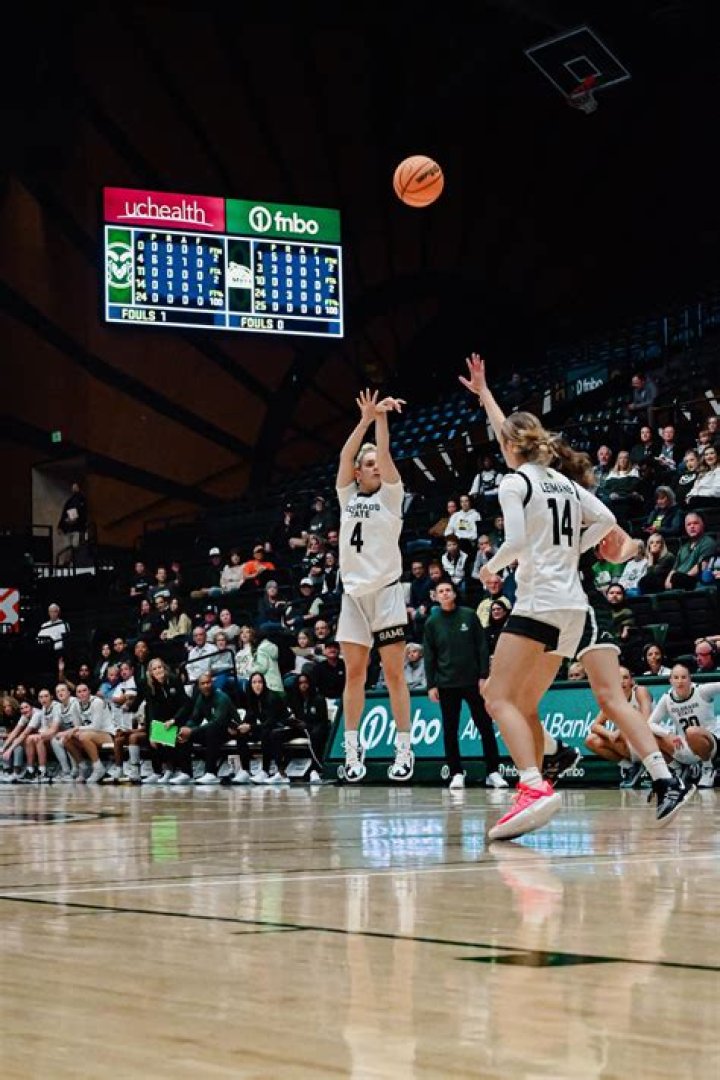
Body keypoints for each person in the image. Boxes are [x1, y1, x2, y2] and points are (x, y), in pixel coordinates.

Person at [460, 353, 694, 835]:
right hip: (575, 608)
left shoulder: (513, 482)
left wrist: (492, 567)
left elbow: (518, 542)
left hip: (539, 603)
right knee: (541, 701)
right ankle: (601, 765)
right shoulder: (563, 483)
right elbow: (607, 520)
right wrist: (485, 396)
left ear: (509, 448)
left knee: (496, 697)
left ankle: (532, 783)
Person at [335, 388, 413, 783]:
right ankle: (352, 748)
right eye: (367, 464)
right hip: (353, 596)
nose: (375, 466)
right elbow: (344, 457)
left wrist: (382, 420)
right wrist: (365, 418)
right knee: (355, 674)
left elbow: (384, 454)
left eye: (376, 461)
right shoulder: (346, 495)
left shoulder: (391, 497)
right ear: (358, 472)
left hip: (386, 592)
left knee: (395, 673)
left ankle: (404, 746)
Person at [423, 579, 506, 790]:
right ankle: (456, 773)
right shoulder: (432, 622)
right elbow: (430, 655)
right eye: (440, 591)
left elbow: (481, 646)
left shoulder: (469, 615)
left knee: (485, 726)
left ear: (454, 593)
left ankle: (493, 771)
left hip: (473, 682)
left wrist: (483, 675)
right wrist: (431, 684)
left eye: (448, 590)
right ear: (436, 595)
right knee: (450, 730)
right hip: (446, 683)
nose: (444, 594)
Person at [648, 662, 720, 789]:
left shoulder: (702, 690)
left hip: (710, 744)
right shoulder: (667, 699)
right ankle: (676, 769)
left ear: (690, 678)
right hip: (684, 745)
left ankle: (708, 768)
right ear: (670, 680)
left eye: (683, 677)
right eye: (676, 678)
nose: (680, 681)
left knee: (691, 731)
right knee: (651, 737)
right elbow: (650, 723)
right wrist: (669, 735)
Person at [584, 667, 654, 787]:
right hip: (630, 745)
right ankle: (631, 767)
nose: (622, 681)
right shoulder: (612, 700)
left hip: (650, 742)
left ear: (632, 681)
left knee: (623, 730)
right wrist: (610, 734)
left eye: (626, 678)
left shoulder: (640, 691)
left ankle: (646, 764)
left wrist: (622, 730)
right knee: (591, 740)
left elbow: (646, 720)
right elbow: (595, 725)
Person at [57, 481, 87, 561]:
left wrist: (78, 521)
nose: (74, 489)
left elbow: (83, 514)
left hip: (77, 527)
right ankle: (68, 562)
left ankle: (73, 562)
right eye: (73, 487)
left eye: (75, 487)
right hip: (69, 528)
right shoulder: (70, 501)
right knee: (68, 547)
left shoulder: (82, 500)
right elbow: (64, 513)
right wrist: (61, 525)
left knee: (75, 546)